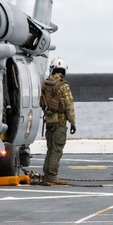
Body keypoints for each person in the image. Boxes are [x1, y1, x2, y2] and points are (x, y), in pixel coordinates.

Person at [40, 57, 75, 185]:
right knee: (57, 150)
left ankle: (46, 174)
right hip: (59, 122)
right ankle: (52, 176)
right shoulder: (63, 85)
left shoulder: (45, 84)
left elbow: (42, 103)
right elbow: (69, 105)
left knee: (50, 149)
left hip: (48, 121)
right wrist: (72, 122)